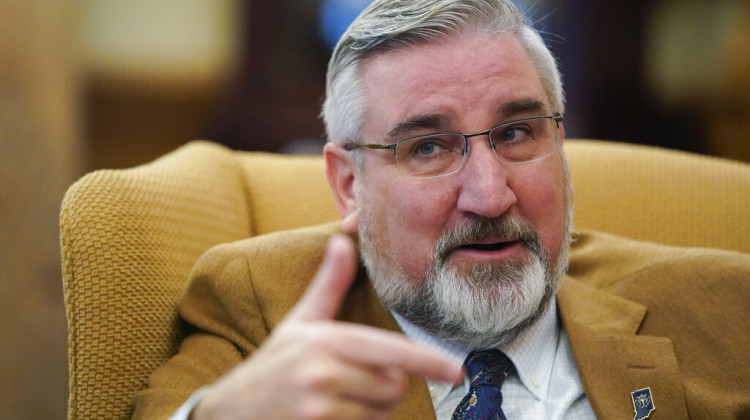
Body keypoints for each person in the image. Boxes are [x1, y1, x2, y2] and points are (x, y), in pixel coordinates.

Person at [133, 1, 750, 419]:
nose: (490, 196)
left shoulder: (720, 304)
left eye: (515, 135)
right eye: (427, 147)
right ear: (349, 185)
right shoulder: (261, 304)